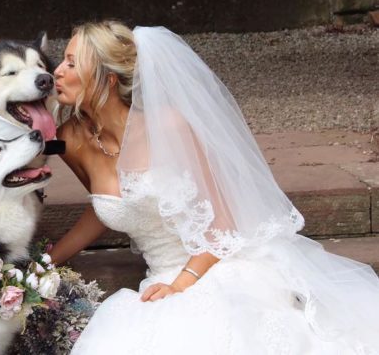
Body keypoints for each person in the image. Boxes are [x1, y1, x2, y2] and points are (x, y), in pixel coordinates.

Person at [48, 21, 379, 354]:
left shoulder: (168, 125)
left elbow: (224, 221)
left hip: (216, 265)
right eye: (62, 60)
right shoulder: (70, 139)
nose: (58, 71)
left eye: (72, 63)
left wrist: (181, 284)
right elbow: (109, 203)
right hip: (160, 276)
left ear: (108, 79)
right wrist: (47, 259)